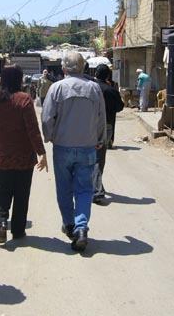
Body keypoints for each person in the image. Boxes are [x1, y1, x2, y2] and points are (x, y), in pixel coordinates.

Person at [41, 52, 106, 252]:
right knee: (85, 189)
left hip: (62, 147)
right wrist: (100, 139)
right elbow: (101, 117)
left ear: (64, 68)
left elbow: (46, 118)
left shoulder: (57, 88)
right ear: (83, 67)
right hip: (87, 146)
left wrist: (49, 136)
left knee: (64, 188)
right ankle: (81, 227)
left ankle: (70, 225)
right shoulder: (94, 88)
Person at [0, 64, 47, 244]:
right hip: (24, 157)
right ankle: (18, 230)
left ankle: (1, 222)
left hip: (4, 156)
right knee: (22, 195)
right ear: (20, 78)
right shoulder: (24, 99)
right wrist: (41, 152)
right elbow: (32, 129)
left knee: (3, 192)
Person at [92, 64, 124, 203]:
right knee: (99, 158)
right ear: (107, 76)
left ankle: (94, 186)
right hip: (107, 126)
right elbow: (120, 107)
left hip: (90, 125)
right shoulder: (111, 90)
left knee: (91, 157)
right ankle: (97, 190)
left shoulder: (90, 87)